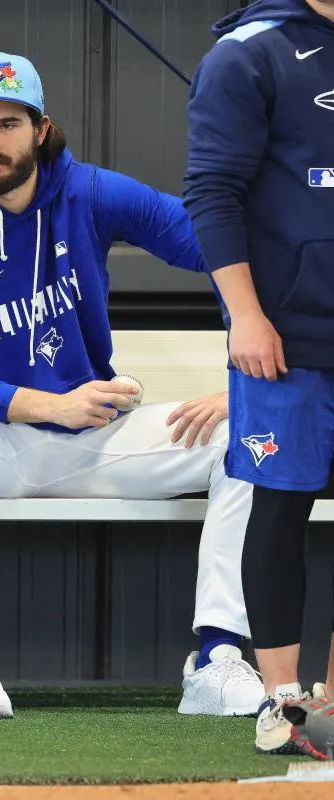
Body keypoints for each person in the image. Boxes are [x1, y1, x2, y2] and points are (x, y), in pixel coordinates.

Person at [0, 52, 264, 719]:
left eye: (8, 123)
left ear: (40, 129)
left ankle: (218, 654)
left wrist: (242, 376)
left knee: (251, 432)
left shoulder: (86, 192)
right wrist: (49, 404)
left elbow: (213, 243)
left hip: (97, 438)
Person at [184, 0, 334, 756]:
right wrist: (244, 313)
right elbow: (212, 191)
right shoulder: (248, 53)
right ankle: (282, 701)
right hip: (285, 332)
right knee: (280, 507)